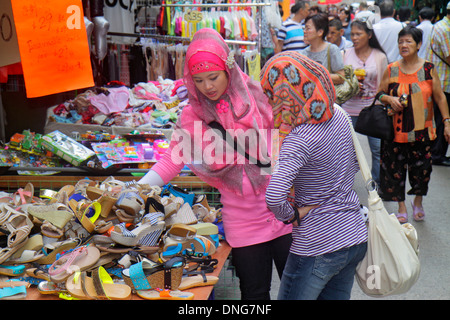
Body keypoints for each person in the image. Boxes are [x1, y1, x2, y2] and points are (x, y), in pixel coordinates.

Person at [138, 28, 293, 300]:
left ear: (228, 70)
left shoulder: (256, 97)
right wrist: (134, 190)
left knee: (299, 292)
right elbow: (172, 160)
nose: (207, 86)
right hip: (243, 223)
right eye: (198, 80)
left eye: (213, 77)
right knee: (255, 295)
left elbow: (286, 142)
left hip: (283, 213)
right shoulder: (193, 115)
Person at [260, 51, 368, 300]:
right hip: (353, 235)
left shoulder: (299, 139)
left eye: (270, 94)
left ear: (283, 96)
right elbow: (351, 163)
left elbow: (274, 197)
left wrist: (293, 214)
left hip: (317, 245)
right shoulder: (338, 114)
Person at [378, 26, 450, 223]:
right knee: (395, 170)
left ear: (418, 45)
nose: (403, 45)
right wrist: (389, 99)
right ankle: (401, 205)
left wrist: (447, 122)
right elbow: (380, 94)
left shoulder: (428, 69)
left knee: (422, 171)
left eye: (408, 41)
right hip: (395, 131)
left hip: (423, 131)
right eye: (401, 41)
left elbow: (440, 98)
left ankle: (417, 201)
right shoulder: (391, 68)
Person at [341, 18, 388, 187]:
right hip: (348, 109)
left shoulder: (380, 57)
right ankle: (343, 185)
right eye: (352, 34)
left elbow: (384, 84)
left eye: (358, 34)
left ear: (369, 35)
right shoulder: (345, 54)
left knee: (377, 150)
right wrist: (351, 85)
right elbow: (340, 80)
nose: (354, 37)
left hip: (372, 109)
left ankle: (377, 184)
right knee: (345, 151)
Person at [426, 2, 450, 166]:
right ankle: (437, 154)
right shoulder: (446, 30)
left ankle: (436, 152)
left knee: (439, 118)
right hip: (443, 80)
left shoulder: (440, 25)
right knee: (442, 119)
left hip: (440, 80)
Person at [300, 13, 345, 85]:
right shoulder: (303, 53)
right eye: (304, 28)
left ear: (320, 32)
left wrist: (318, 74)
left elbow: (341, 77)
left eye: (308, 28)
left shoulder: (332, 50)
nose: (304, 31)